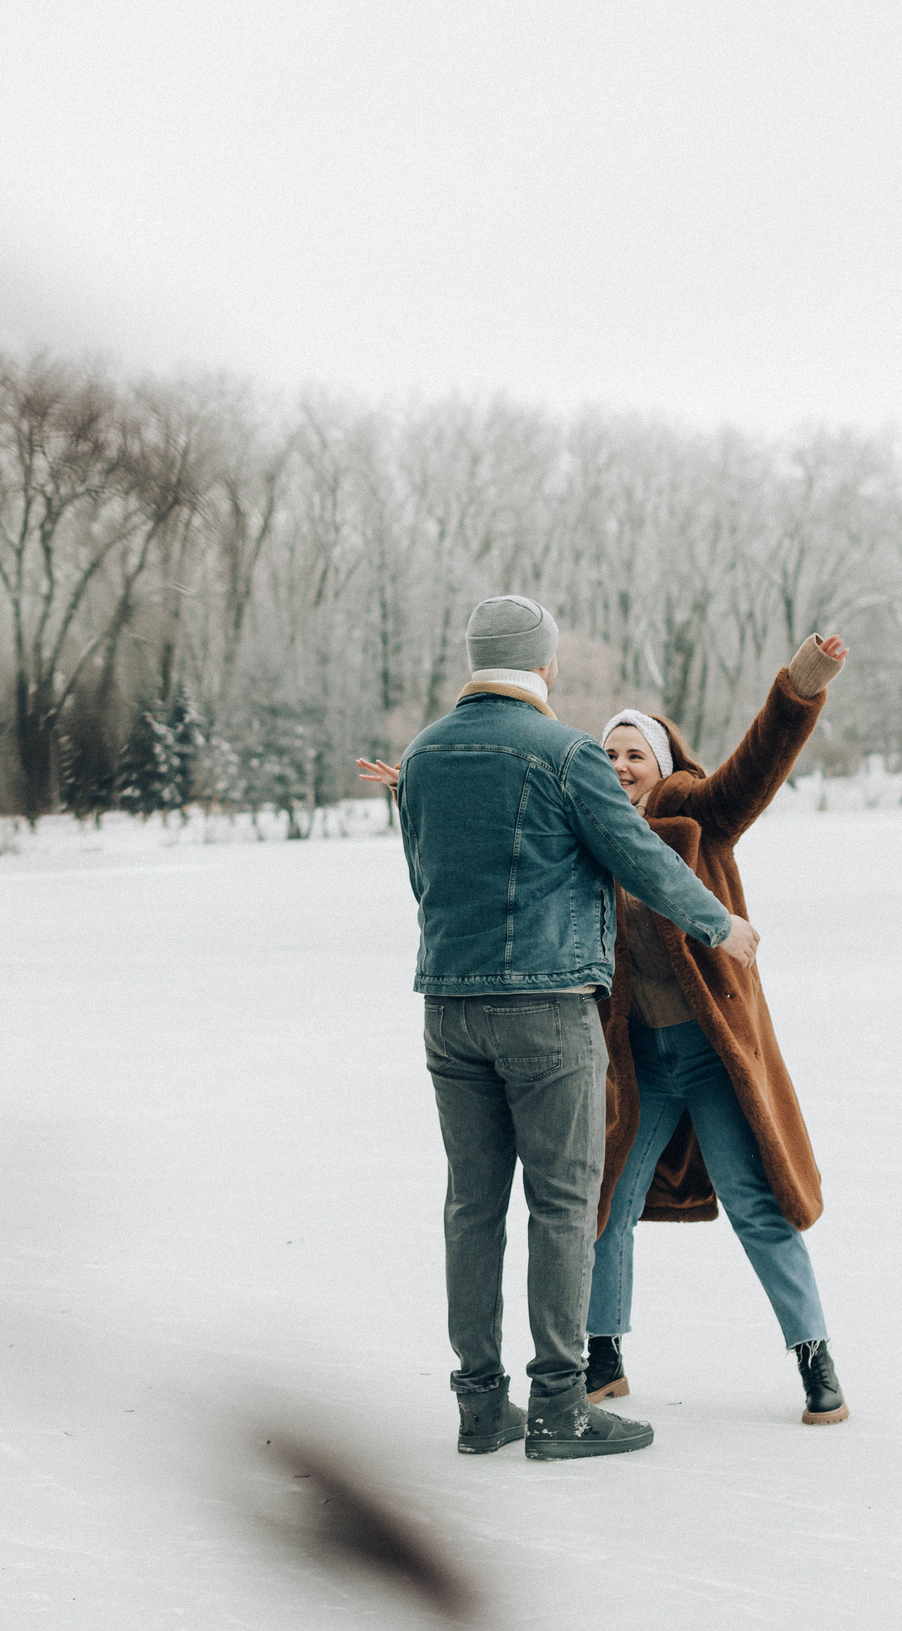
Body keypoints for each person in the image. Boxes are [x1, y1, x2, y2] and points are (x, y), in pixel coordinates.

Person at [372, 594, 760, 1462]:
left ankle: (480, 1406)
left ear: (478, 661)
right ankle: (558, 1405)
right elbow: (642, 856)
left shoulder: (423, 758)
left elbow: (420, 880)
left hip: (449, 1010)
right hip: (548, 1014)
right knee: (561, 1203)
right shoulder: (566, 754)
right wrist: (718, 926)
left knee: (471, 1206)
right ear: (544, 666)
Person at [585, 632, 851, 1424]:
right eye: (610, 754)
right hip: (640, 1063)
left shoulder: (694, 814)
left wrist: (801, 685)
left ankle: (815, 1359)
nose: (621, 766)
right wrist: (418, 791)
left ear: (664, 765)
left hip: (711, 1056)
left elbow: (756, 764)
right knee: (606, 1200)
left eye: (635, 753)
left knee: (754, 1201)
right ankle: (602, 1357)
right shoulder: (590, 834)